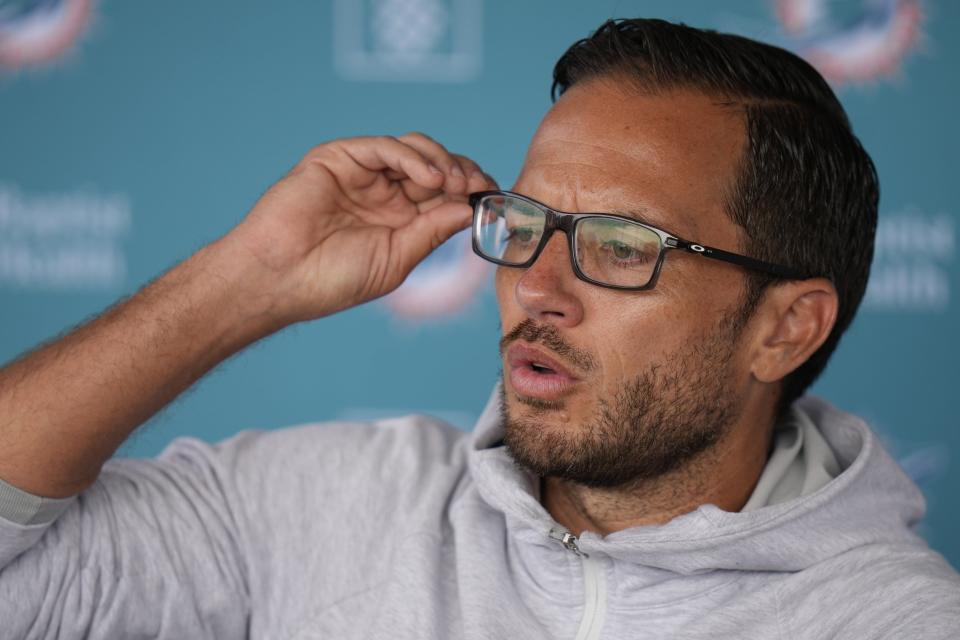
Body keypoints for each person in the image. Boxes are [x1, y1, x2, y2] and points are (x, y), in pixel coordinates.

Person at [0, 17, 958, 639]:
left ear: (785, 329)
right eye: (530, 224)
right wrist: (245, 281)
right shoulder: (326, 507)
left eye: (623, 247)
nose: (537, 287)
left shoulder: (894, 622)